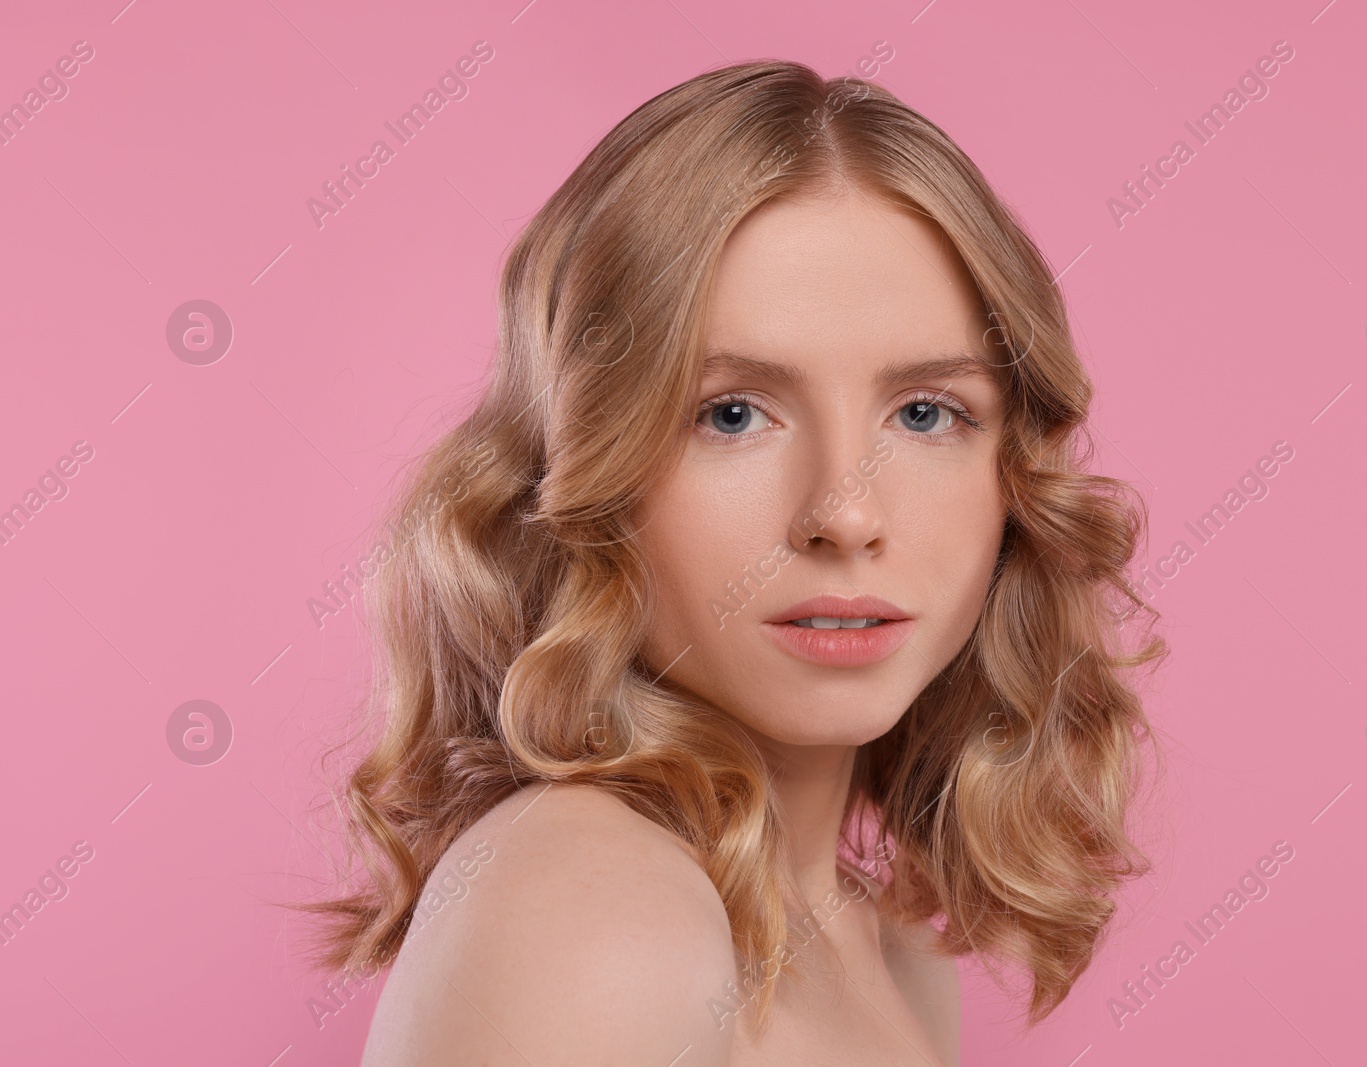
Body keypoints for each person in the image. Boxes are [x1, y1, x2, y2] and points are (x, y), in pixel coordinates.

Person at [295, 59, 1166, 1066]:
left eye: (925, 412)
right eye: (731, 413)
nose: (844, 510)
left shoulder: (886, 952)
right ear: (586, 469)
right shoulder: (587, 907)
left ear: (1012, 471)